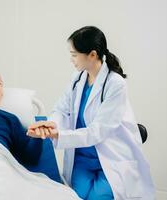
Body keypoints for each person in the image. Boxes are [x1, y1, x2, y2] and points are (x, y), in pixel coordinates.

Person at [27, 26, 155, 199]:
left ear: (92, 55)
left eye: (74, 55)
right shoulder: (78, 78)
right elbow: (61, 109)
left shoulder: (115, 84)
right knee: (75, 197)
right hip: (81, 160)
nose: (71, 60)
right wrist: (52, 124)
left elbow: (98, 132)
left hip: (111, 159)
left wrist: (59, 136)